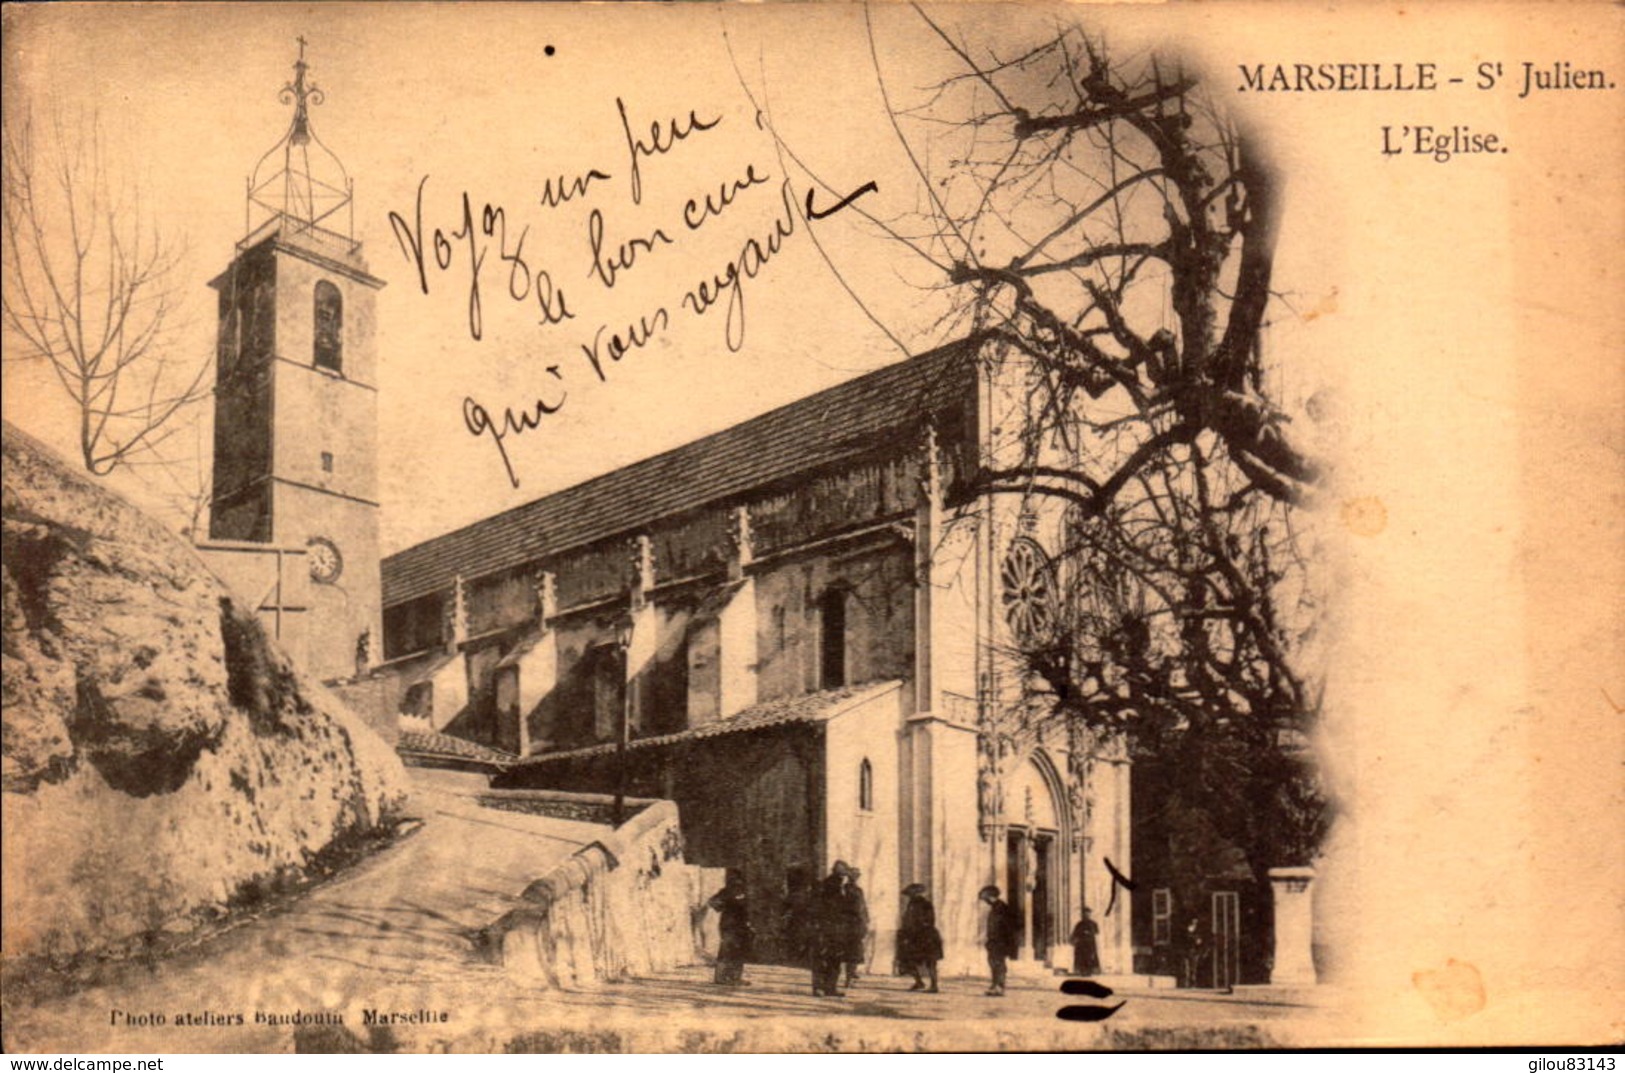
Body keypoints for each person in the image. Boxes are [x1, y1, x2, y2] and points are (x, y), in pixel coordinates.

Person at [810, 861, 857, 996]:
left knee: (834, 958)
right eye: (844, 871)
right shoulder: (830, 884)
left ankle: (830, 988)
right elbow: (827, 906)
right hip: (828, 927)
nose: (846, 874)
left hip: (838, 928)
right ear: (837, 871)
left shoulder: (842, 885)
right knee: (824, 958)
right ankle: (820, 988)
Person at [897, 883, 943, 992]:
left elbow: (928, 920)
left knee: (930, 961)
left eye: (912, 894)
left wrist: (918, 930)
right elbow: (908, 921)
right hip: (914, 936)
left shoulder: (926, 904)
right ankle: (919, 982)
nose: (911, 896)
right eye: (910, 894)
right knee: (908, 960)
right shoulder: (911, 905)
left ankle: (934, 985)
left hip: (926, 936)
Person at [709, 881, 752, 985]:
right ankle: (720, 978)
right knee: (727, 949)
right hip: (730, 925)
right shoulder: (730, 890)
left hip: (742, 925)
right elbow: (713, 902)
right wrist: (727, 904)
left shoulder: (749, 890)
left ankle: (735, 977)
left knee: (739, 951)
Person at [980, 884, 1019, 997]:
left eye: (985, 898)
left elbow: (1008, 926)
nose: (984, 901)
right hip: (994, 941)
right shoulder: (995, 907)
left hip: (1000, 942)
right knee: (993, 963)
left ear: (991, 896)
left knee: (999, 964)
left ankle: (999, 987)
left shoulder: (1001, 908)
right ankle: (994, 985)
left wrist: (1005, 942)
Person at [842, 866, 871, 989]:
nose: (855, 878)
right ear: (849, 877)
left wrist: (866, 920)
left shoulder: (859, 890)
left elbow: (863, 907)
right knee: (852, 953)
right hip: (850, 925)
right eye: (853, 876)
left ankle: (851, 975)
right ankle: (849, 979)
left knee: (855, 952)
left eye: (857, 876)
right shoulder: (845, 889)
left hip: (857, 925)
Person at [1070, 907, 1102, 976]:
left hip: (1090, 944)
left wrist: (1089, 933)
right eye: (1084, 914)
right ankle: (1082, 971)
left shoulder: (1093, 924)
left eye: (1088, 913)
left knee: (1090, 957)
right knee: (1082, 957)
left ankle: (1089, 971)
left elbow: (1096, 934)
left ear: (1090, 914)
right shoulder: (1079, 924)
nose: (1086, 915)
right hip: (1081, 944)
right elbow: (1075, 933)